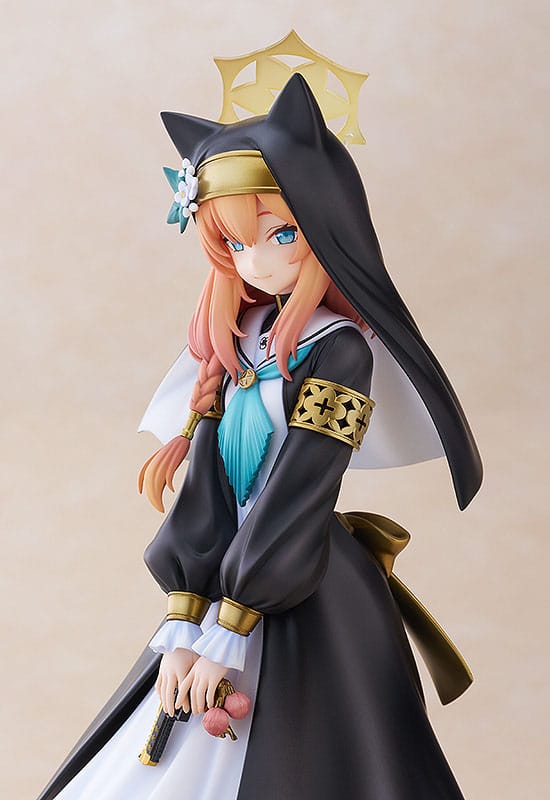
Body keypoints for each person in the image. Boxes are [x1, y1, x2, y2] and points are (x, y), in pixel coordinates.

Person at [37, 73, 482, 800]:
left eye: (281, 234)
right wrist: (185, 620)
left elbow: (305, 481)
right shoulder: (237, 341)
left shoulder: (341, 351)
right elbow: (207, 489)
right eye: (234, 243)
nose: (258, 261)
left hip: (299, 571)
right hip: (223, 578)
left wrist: (234, 625)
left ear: (326, 224)